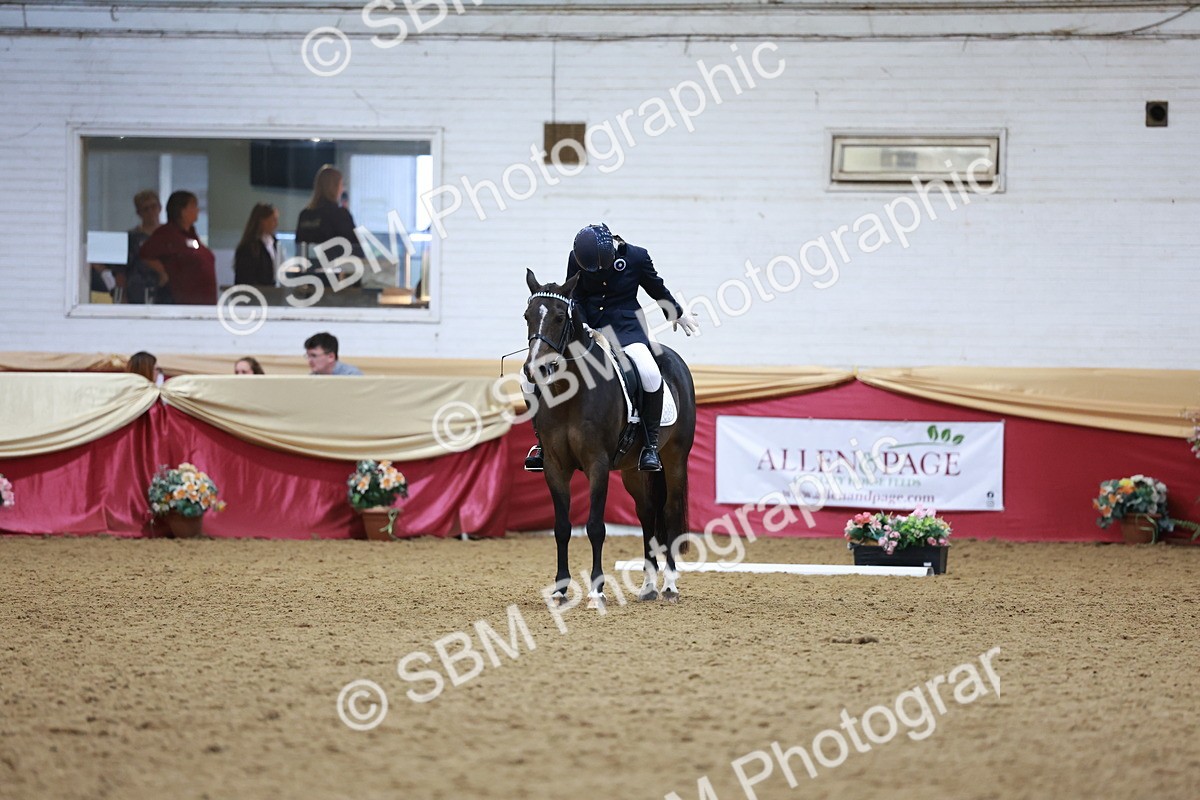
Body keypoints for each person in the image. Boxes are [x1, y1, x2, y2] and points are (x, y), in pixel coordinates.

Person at [524, 223, 699, 472]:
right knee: (534, 375)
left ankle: (649, 446)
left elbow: (655, 288)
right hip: (587, 328)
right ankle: (543, 443)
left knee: (649, 373)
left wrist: (676, 313)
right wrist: (581, 325)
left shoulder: (637, 257)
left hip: (626, 329)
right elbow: (575, 295)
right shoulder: (575, 259)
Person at [139, 190, 216, 305]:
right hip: (183, 302)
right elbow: (145, 254)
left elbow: (197, 252)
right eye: (193, 206)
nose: (197, 210)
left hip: (203, 301)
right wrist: (163, 273)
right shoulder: (167, 234)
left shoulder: (190, 236)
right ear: (183, 211)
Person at [295, 166, 364, 270]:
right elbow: (356, 250)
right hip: (336, 276)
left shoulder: (305, 215)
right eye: (341, 185)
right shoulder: (340, 214)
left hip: (309, 275)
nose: (342, 189)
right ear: (335, 187)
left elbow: (299, 249)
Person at [125, 190, 165, 303]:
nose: (151, 212)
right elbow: (122, 270)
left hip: (166, 292)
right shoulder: (132, 237)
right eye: (146, 209)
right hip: (138, 291)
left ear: (160, 208)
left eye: (153, 207)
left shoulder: (170, 235)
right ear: (139, 212)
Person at [233, 204, 279, 286]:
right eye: (273, 220)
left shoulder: (274, 244)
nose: (276, 224)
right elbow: (245, 278)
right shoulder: (248, 248)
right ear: (263, 221)